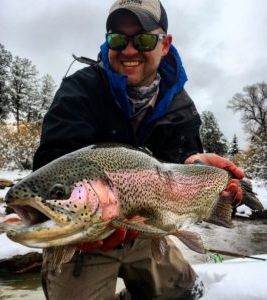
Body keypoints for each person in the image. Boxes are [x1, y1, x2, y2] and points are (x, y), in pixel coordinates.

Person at [33, 0, 244, 299]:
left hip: (149, 228)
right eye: (118, 39)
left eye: (143, 38)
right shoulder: (79, 90)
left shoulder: (180, 106)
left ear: (165, 44)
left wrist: (196, 164)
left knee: (183, 294)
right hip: (82, 234)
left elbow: (178, 165)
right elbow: (53, 160)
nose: (129, 50)